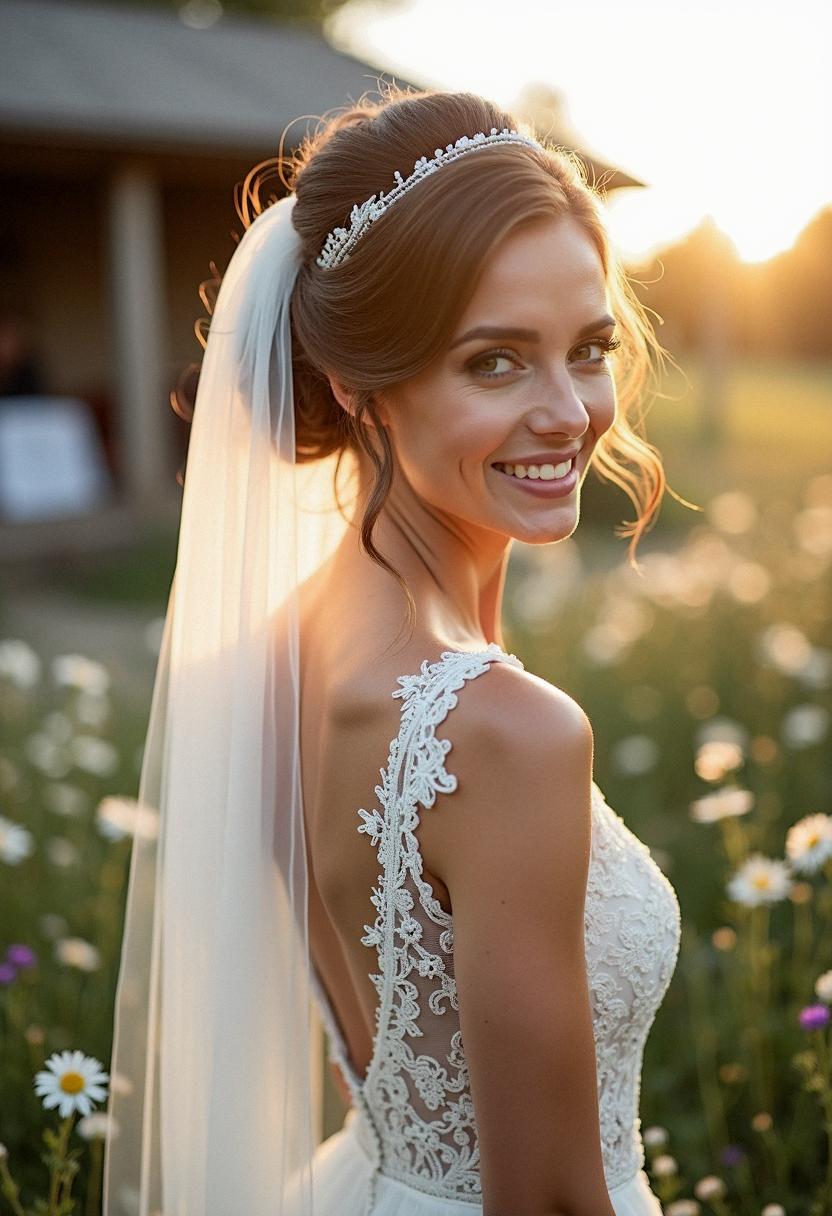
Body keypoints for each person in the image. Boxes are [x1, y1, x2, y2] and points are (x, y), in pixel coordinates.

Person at [103, 87, 682, 1216]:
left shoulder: (277, 647)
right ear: (357, 384)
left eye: (589, 346)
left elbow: (376, 1046)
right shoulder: (505, 733)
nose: (569, 411)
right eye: (494, 362)